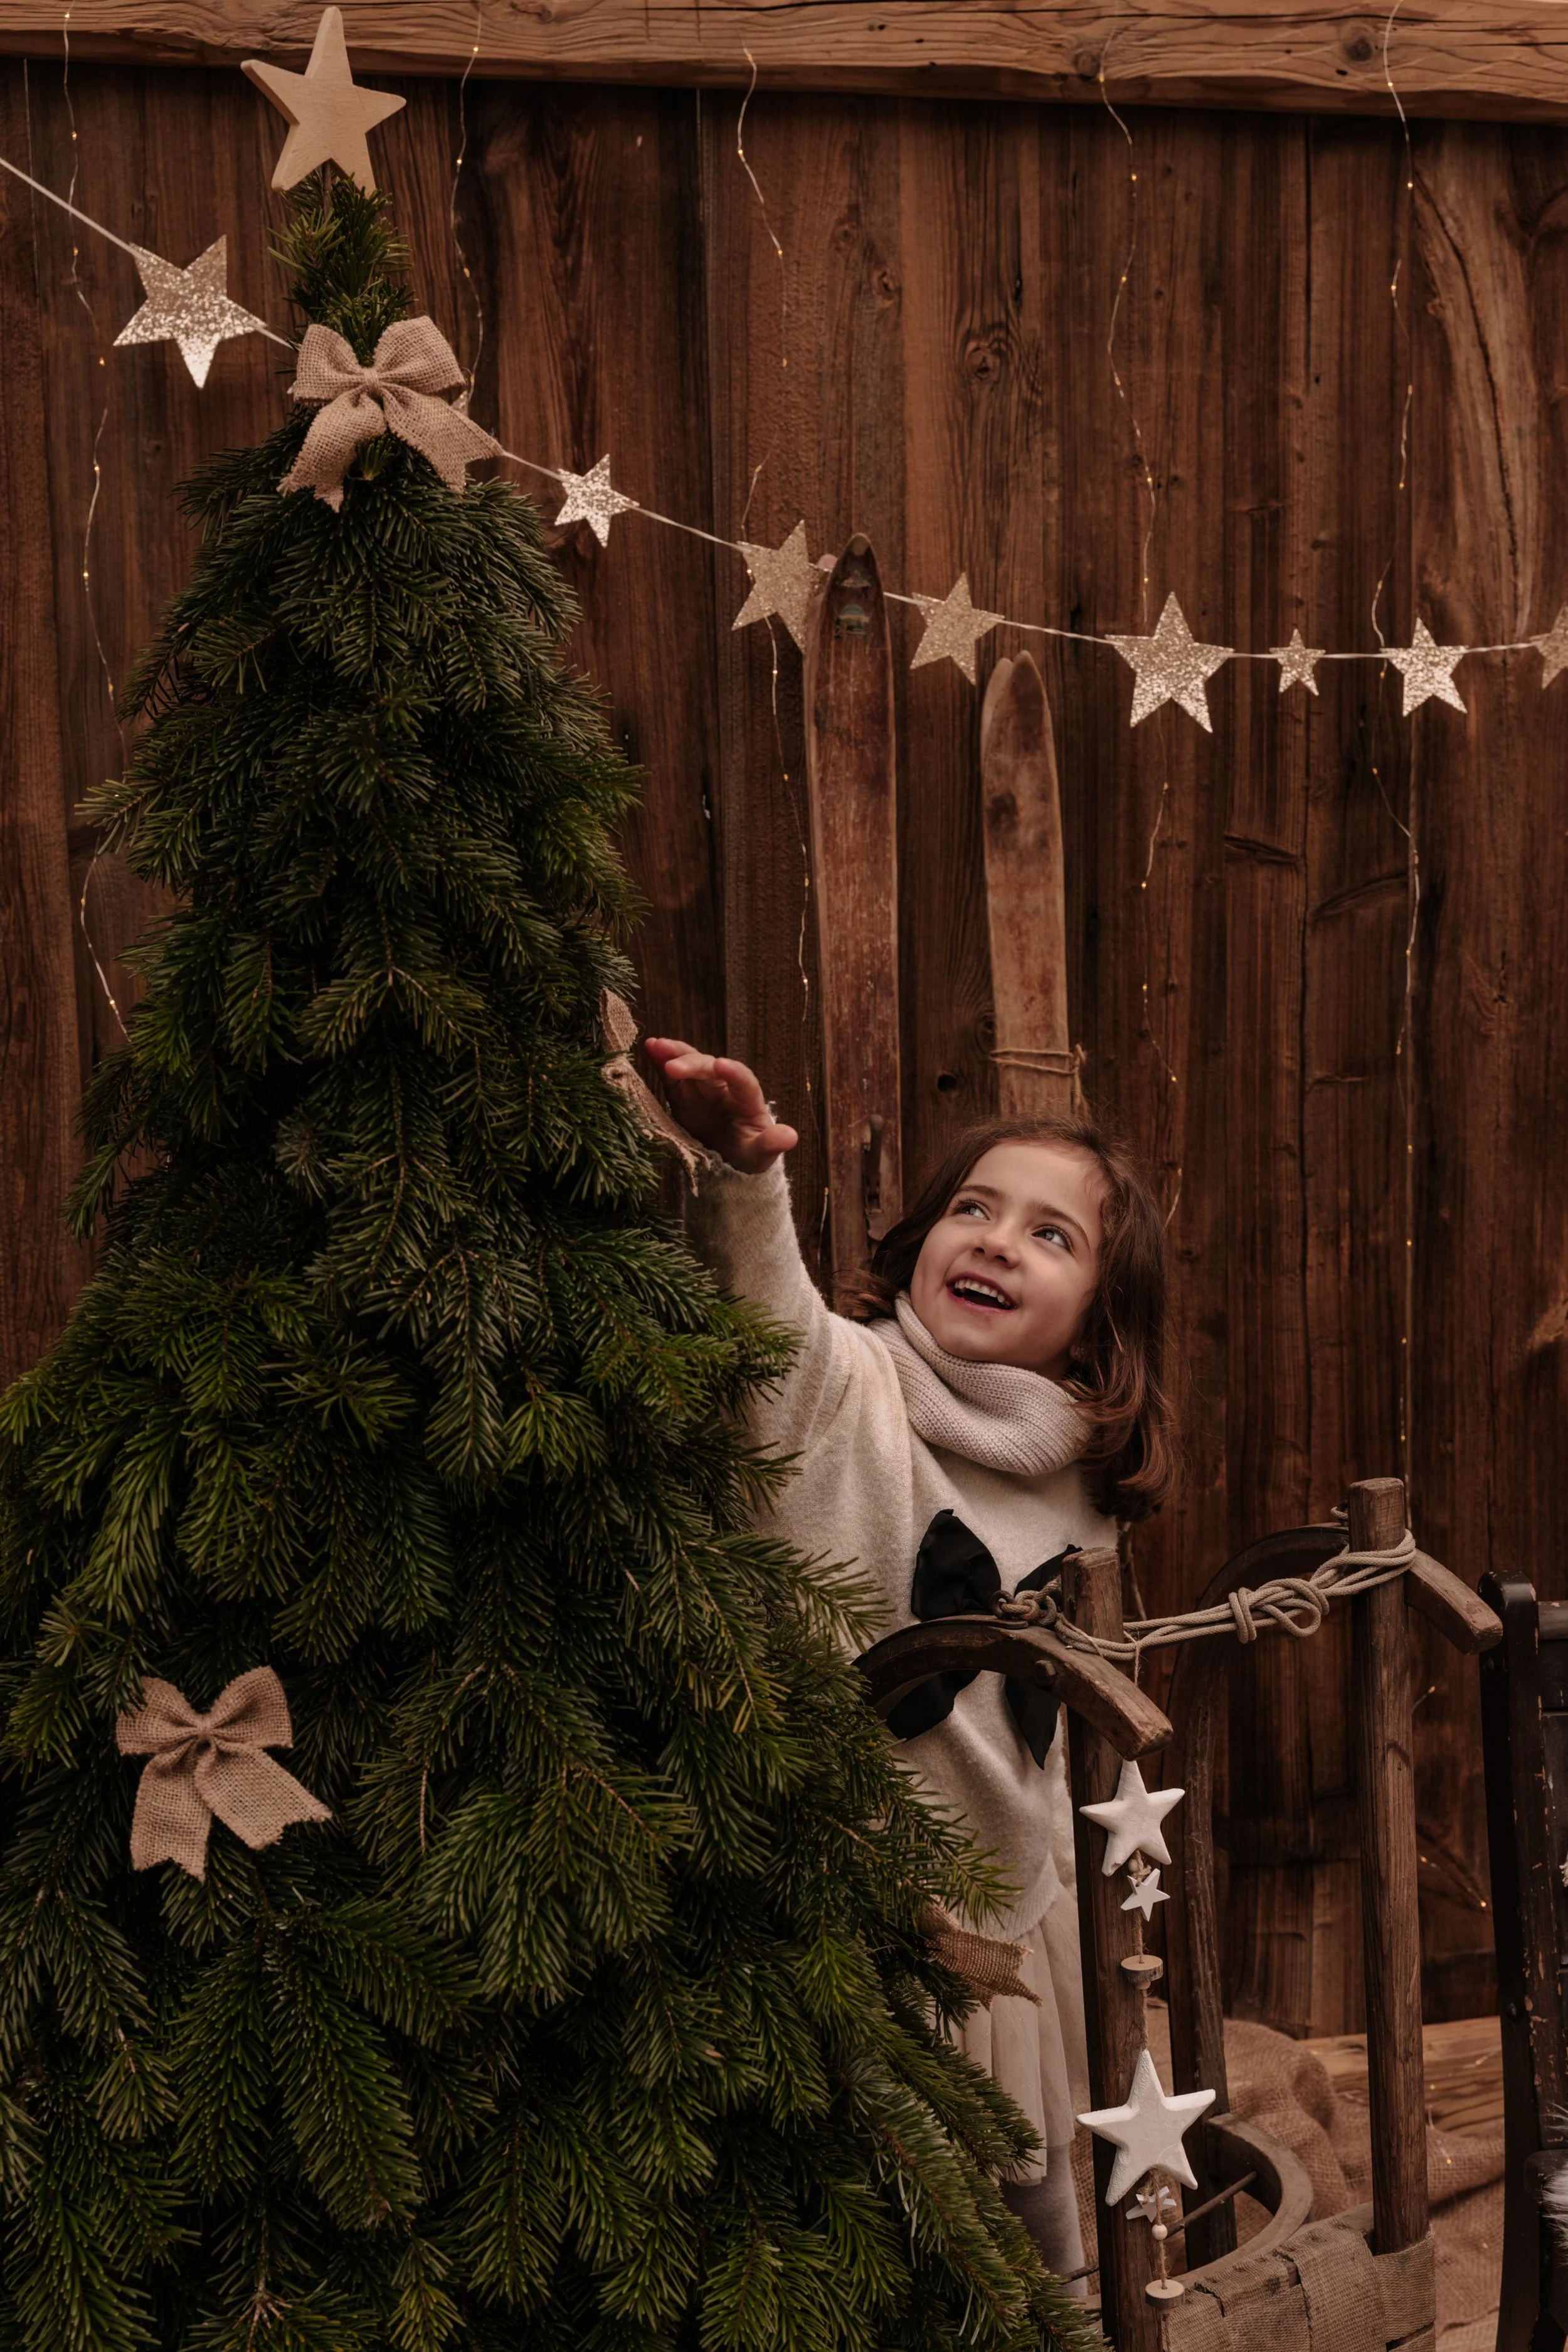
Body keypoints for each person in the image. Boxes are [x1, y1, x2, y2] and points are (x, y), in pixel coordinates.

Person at [645, 1039, 1175, 2284]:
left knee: (1036, 2221)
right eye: (971, 1210)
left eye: (1051, 1236)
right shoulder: (849, 1390)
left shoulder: (1077, 1478)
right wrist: (742, 1177)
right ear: (920, 1241)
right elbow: (767, 1314)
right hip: (843, 1905)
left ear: (1099, 1317)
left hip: (1007, 1912)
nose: (992, 1240)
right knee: (868, 2235)